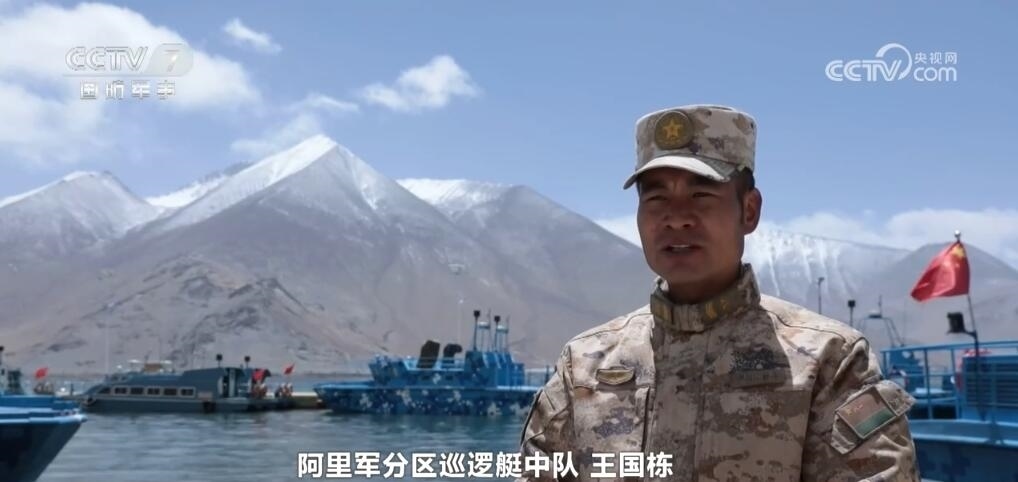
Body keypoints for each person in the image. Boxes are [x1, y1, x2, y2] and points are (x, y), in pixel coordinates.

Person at [517, 105, 920, 481]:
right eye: (656, 198)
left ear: (749, 210)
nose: (676, 218)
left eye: (701, 195)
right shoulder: (584, 365)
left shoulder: (829, 360)